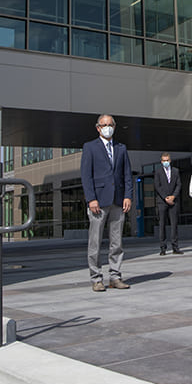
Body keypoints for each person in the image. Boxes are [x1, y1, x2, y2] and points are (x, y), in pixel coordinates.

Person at [80, 114, 133, 291]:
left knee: (116, 242)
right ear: (98, 128)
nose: (107, 127)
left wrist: (128, 196)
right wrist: (91, 198)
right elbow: (86, 176)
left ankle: (115, 276)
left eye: (110, 124)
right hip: (98, 201)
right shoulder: (90, 147)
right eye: (104, 125)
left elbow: (127, 174)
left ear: (114, 127)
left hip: (118, 201)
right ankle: (96, 278)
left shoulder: (121, 148)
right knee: (95, 242)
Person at [154, 152, 183, 255]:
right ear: (161, 162)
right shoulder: (158, 172)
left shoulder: (176, 171)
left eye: (167, 160)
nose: (166, 162)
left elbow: (178, 185)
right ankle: (163, 248)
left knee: (174, 224)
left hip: (173, 201)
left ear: (170, 161)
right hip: (162, 202)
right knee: (162, 224)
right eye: (164, 160)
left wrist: (173, 196)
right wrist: (165, 197)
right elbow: (157, 186)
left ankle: (175, 247)